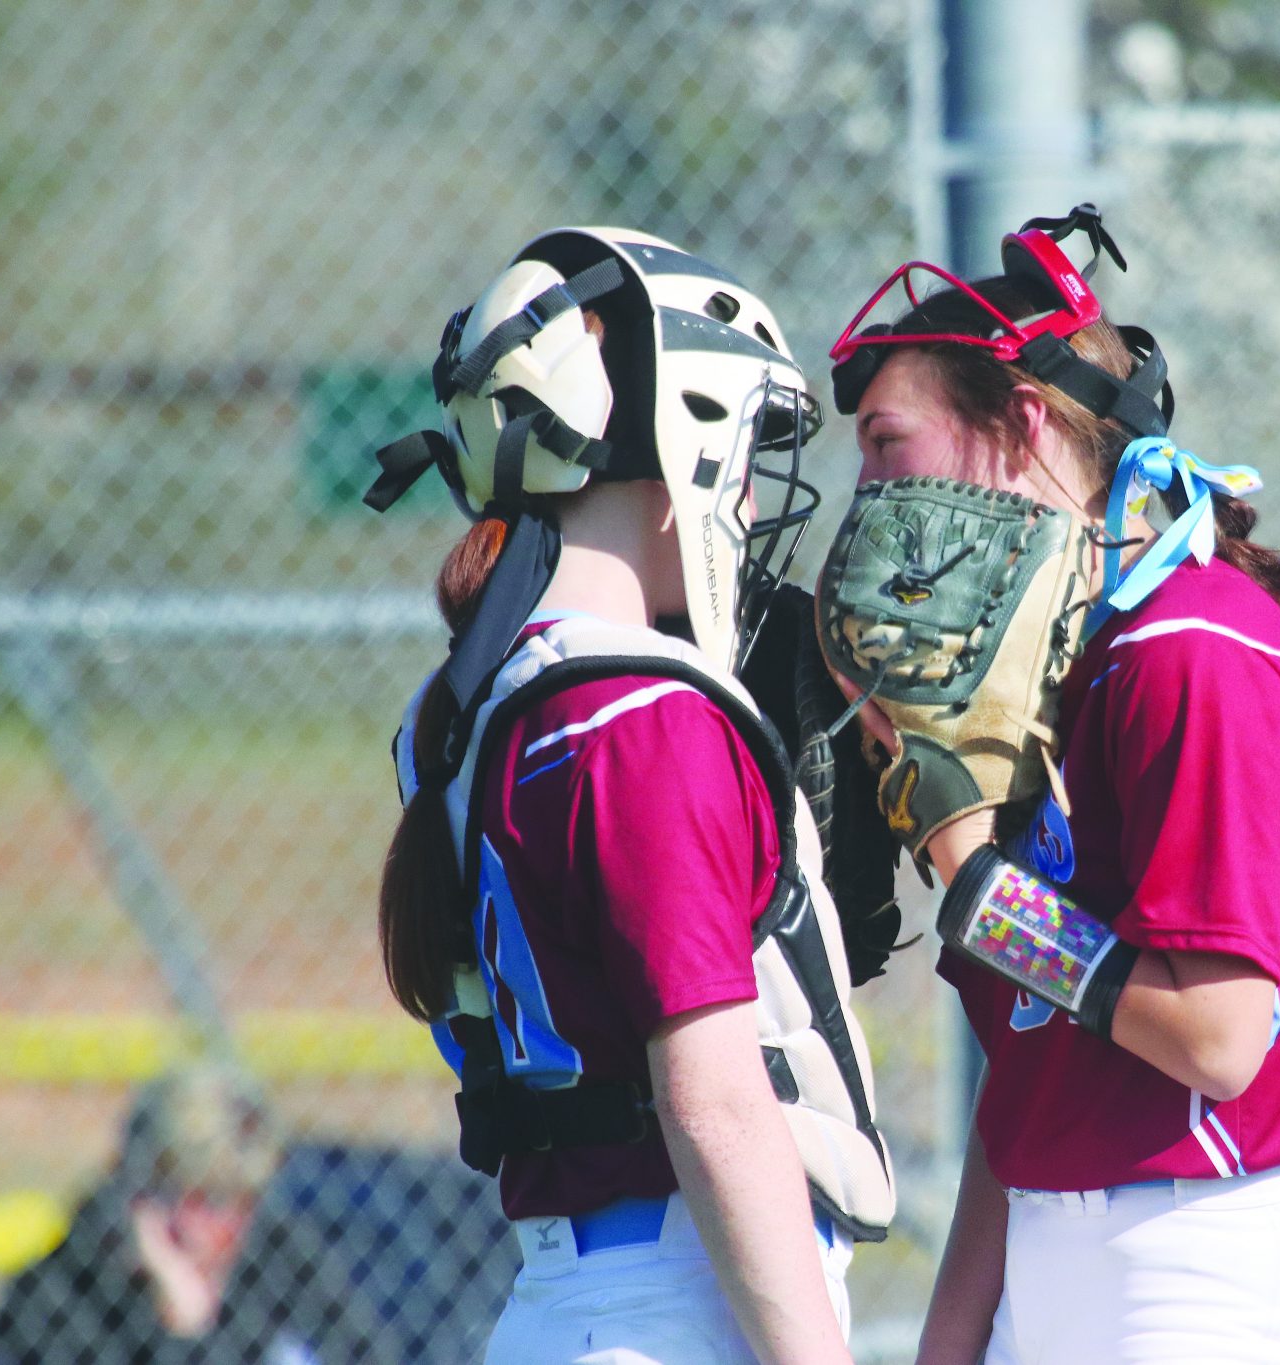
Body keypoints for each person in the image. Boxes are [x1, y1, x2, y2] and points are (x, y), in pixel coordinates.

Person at [815, 205, 1280, 1363]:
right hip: (1076, 1266)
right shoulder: (1061, 674)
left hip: (1210, 1268)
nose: (870, 501)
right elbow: (1037, 1096)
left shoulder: (1187, 650)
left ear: (1022, 424)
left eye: (889, 446)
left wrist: (973, 873)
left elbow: (1214, 1037)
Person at [363, 226, 898, 1365]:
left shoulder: (464, 710)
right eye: (746, 451)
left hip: (582, 1296)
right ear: (680, 440)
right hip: (681, 1305)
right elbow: (712, 1104)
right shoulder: (640, 720)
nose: (751, 503)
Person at [0, 1060, 405, 1364]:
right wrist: (184, 1318)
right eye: (167, 1191)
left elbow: (369, 1352)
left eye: (219, 1200)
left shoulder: (276, 1255)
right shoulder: (58, 1296)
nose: (190, 1223)